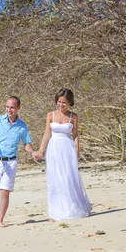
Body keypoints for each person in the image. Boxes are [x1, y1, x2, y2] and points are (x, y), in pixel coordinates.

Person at [33, 88, 92, 221]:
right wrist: (41, 150)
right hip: (53, 149)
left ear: (70, 103)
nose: (61, 105)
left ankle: (71, 207)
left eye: (64, 102)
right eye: (59, 102)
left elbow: (75, 135)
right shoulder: (50, 115)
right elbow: (47, 133)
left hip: (67, 149)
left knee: (67, 178)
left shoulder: (73, 117)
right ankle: (54, 212)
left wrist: (76, 153)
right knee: (54, 179)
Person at [0, 96, 35, 227]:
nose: (9, 110)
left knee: (5, 191)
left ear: (18, 108)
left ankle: (0, 220)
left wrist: (33, 152)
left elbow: (26, 144)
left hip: (10, 162)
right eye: (7, 107)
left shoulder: (22, 126)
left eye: (12, 107)